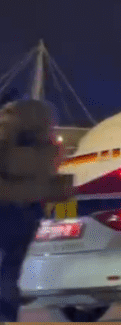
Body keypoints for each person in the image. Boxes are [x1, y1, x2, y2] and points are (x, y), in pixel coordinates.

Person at [0, 99, 69, 322]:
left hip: (6, 206)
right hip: (28, 210)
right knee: (12, 268)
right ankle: (6, 313)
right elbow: (51, 175)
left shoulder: (6, 135)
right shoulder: (47, 145)